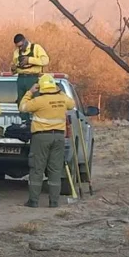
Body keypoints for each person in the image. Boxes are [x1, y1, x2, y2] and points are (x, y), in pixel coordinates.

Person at [19, 73, 74, 208]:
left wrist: (30, 92)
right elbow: (72, 104)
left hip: (41, 137)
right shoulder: (62, 98)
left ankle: (33, 201)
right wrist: (59, 90)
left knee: (37, 169)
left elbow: (22, 107)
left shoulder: (39, 101)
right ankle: (54, 202)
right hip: (59, 137)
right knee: (55, 170)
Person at [11, 34, 50, 123]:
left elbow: (45, 61)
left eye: (21, 46)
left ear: (25, 41)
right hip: (21, 78)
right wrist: (13, 68)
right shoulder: (16, 52)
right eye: (18, 47)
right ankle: (24, 121)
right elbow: (15, 66)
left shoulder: (36, 48)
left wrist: (29, 60)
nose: (20, 48)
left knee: (35, 100)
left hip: (33, 78)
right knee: (21, 100)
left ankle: (36, 120)